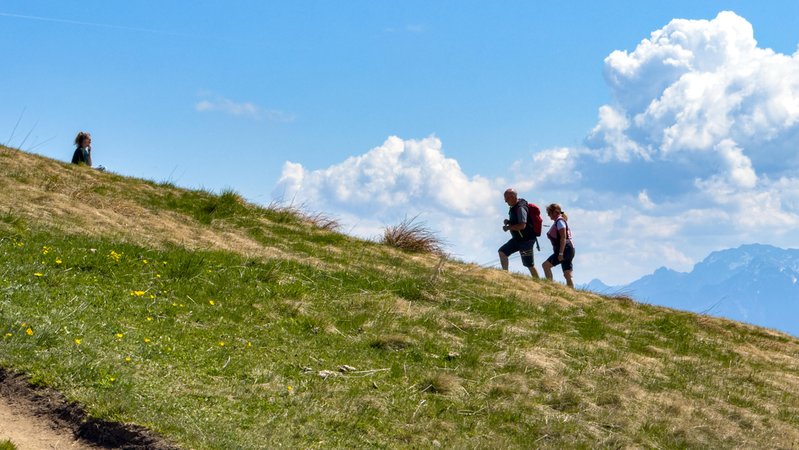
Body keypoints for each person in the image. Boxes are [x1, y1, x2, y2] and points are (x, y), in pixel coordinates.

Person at [498, 188, 539, 278]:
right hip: (518, 239)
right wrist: (509, 221)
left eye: (506, 198)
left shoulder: (520, 208)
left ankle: (539, 282)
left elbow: (522, 225)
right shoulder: (515, 207)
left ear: (513, 197)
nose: (505, 201)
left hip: (526, 240)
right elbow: (518, 222)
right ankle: (505, 275)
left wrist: (509, 227)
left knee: (529, 264)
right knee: (502, 252)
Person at [542, 203, 575, 288]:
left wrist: (560, 253)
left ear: (555, 212)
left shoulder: (560, 222)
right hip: (570, 249)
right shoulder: (560, 221)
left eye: (549, 213)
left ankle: (550, 287)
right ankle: (572, 293)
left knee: (545, 266)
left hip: (564, 249)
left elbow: (563, 237)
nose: (548, 215)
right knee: (567, 273)